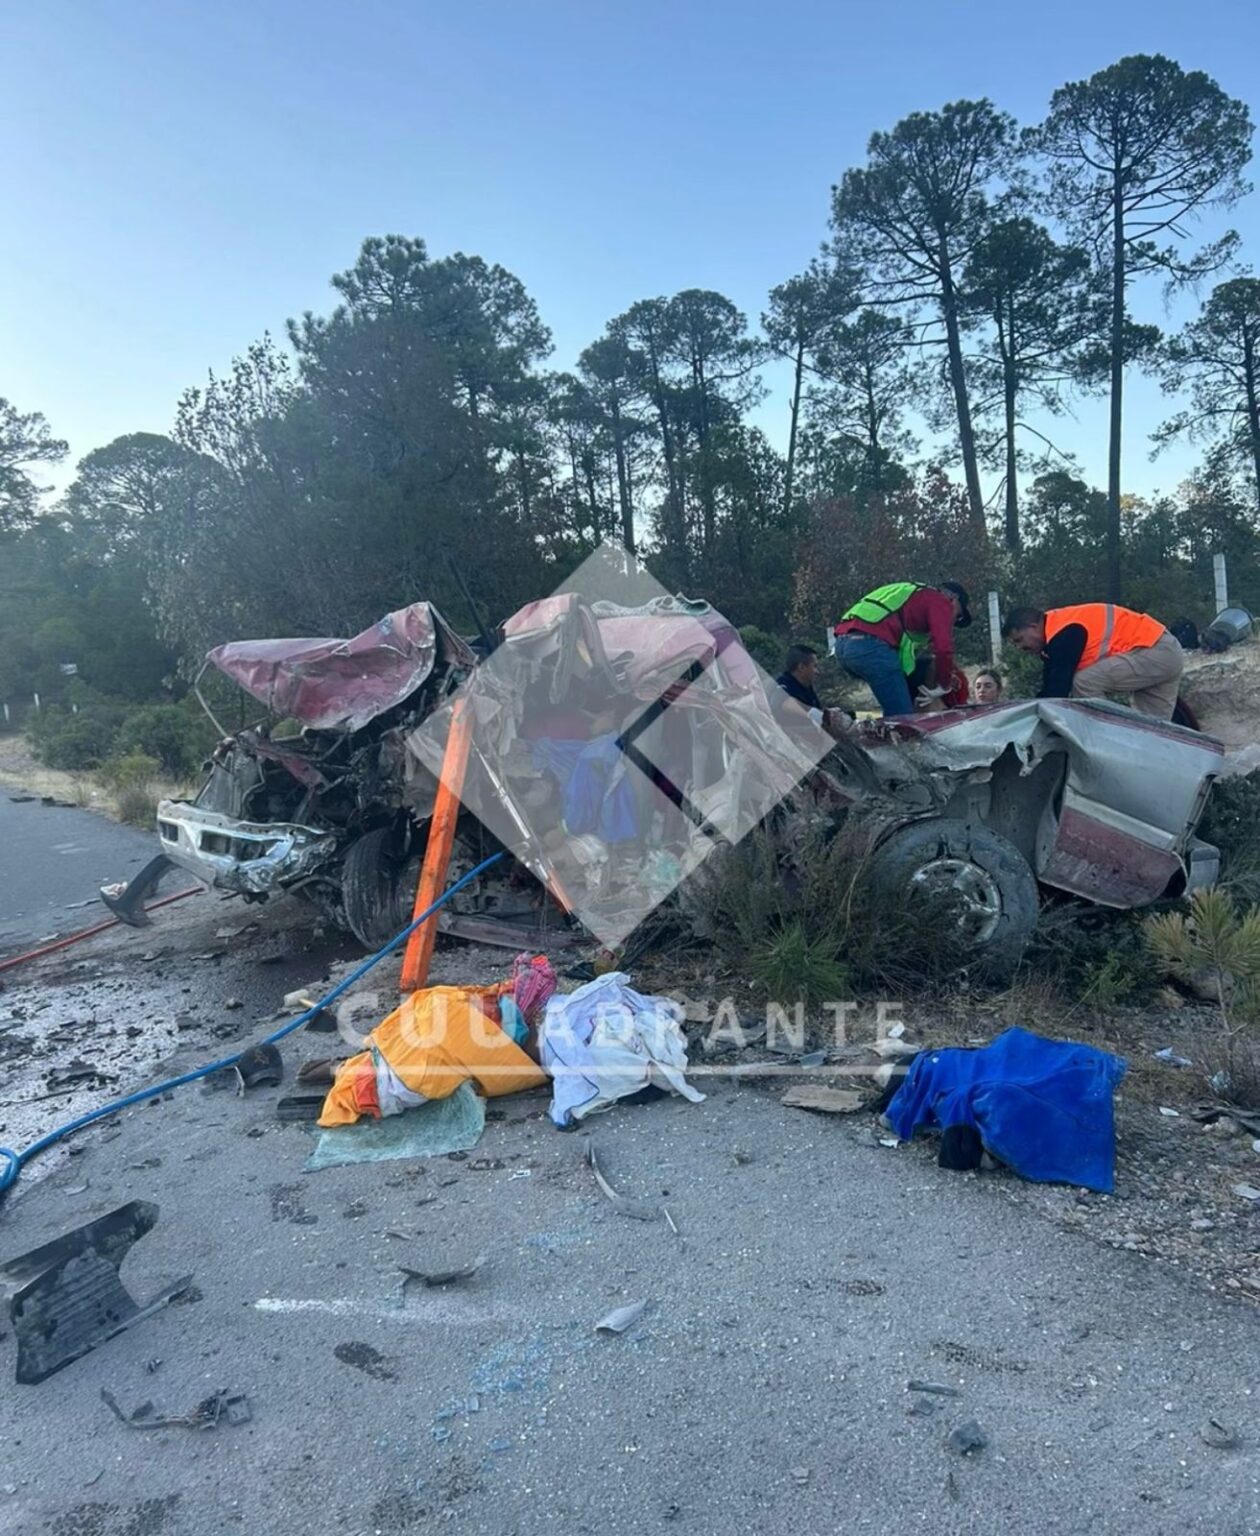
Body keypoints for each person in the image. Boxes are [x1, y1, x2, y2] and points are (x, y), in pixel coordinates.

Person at [1002, 603, 1183, 720]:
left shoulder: (1063, 635)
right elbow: (1050, 688)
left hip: (1153, 649)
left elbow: (1057, 691)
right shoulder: (1057, 631)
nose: (1020, 647)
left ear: (1034, 627)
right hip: (1164, 649)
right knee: (1153, 731)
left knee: (1084, 682)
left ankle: (1105, 740)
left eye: (1019, 640)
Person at [832, 581, 972, 717]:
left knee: (894, 709)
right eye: (958, 616)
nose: (952, 622)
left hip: (843, 645)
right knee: (902, 717)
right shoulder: (941, 601)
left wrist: (943, 673)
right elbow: (943, 649)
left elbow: (905, 658)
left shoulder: (910, 594)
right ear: (954, 599)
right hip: (870, 647)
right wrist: (944, 684)